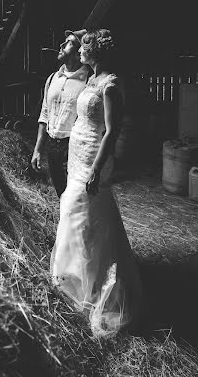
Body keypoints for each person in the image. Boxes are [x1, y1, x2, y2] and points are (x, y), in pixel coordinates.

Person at [50, 29, 142, 337]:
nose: (79, 52)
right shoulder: (90, 80)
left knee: (85, 212)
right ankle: (71, 277)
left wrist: (96, 169)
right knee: (76, 213)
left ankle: (92, 286)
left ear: (96, 53)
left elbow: (111, 132)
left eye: (85, 48)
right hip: (77, 154)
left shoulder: (110, 85)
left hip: (93, 158)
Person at [31, 29, 89, 197]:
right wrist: (38, 150)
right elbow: (45, 115)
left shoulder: (88, 80)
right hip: (52, 146)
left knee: (76, 197)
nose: (61, 45)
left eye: (69, 42)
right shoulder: (53, 78)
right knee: (61, 195)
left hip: (74, 147)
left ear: (79, 52)